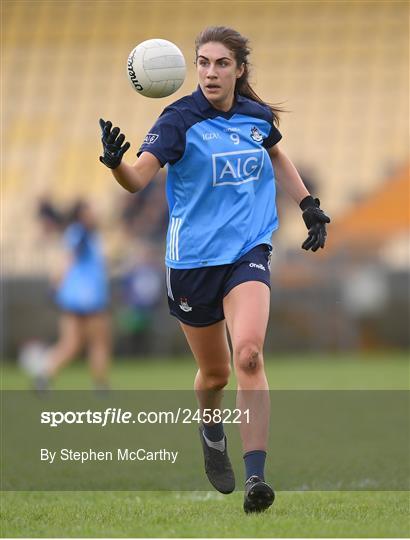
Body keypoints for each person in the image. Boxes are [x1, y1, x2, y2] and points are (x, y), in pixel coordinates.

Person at [98, 26, 330, 513]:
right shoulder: (178, 119)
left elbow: (276, 152)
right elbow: (138, 178)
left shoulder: (256, 117)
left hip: (248, 251)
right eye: (203, 62)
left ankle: (255, 479)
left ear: (239, 69)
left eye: (221, 63)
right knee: (214, 374)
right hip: (191, 264)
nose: (210, 71)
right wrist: (117, 164)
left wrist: (308, 204)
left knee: (248, 355)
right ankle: (210, 428)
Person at [33, 200, 112, 391]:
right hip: (88, 296)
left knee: (72, 344)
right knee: (99, 341)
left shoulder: (83, 234)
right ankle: (100, 384)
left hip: (76, 296)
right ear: (81, 214)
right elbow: (67, 260)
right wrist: (55, 284)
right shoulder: (81, 234)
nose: (93, 214)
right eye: (89, 210)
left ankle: (44, 375)